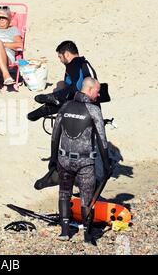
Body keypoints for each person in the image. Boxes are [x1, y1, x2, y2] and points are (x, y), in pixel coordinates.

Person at [49, 77, 112, 245]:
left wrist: (53, 159)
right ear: (90, 90)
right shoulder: (93, 110)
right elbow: (102, 140)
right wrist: (107, 164)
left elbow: (55, 136)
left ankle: (64, 231)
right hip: (85, 163)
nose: (98, 95)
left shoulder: (65, 106)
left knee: (64, 193)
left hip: (64, 159)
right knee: (87, 198)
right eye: (97, 91)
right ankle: (88, 237)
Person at [27, 40, 100, 121]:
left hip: (86, 104)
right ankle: (49, 103)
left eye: (60, 57)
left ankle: (52, 99)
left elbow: (84, 88)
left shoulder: (78, 63)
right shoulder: (77, 65)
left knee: (64, 95)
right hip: (76, 103)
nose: (60, 60)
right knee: (62, 94)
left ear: (66, 54)